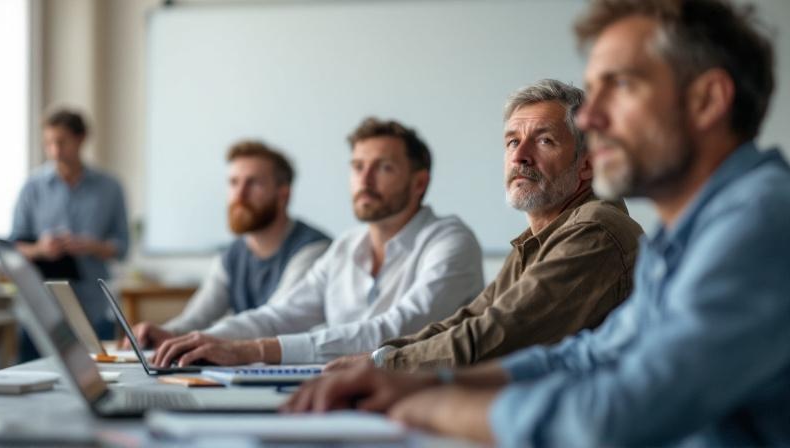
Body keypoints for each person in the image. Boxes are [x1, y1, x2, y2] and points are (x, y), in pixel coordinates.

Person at [283, 0, 790, 445]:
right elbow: (586, 357)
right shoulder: (683, 238)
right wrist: (425, 381)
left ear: (706, 101)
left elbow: (614, 415)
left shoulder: (761, 224)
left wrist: (424, 403)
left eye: (621, 86)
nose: (591, 120)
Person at [327, 79, 643, 372]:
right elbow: (469, 320)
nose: (520, 156)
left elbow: (499, 337)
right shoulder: (536, 242)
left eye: (544, 141)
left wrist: (384, 365)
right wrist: (379, 356)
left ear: (588, 163)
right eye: (511, 142)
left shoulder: (596, 229)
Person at [151, 117, 484, 367]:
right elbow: (278, 315)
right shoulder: (345, 247)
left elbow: (398, 330)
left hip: (422, 401)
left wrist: (256, 350)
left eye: (383, 168)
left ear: (418, 183)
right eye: (357, 167)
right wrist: (198, 340)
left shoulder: (452, 242)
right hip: (344, 394)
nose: (364, 180)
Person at [126, 141, 331, 349]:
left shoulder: (314, 250)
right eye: (233, 183)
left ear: (283, 195)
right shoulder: (231, 255)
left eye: (253, 183)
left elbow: (276, 322)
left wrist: (192, 340)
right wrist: (166, 333)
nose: (239, 195)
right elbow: (196, 318)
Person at [11, 108, 129, 359]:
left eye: (61, 142)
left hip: (93, 306)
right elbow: (13, 247)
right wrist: (40, 249)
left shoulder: (110, 187)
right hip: (41, 307)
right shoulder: (32, 188)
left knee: (99, 375)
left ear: (81, 138)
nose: (55, 150)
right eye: (48, 143)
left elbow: (123, 246)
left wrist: (91, 246)